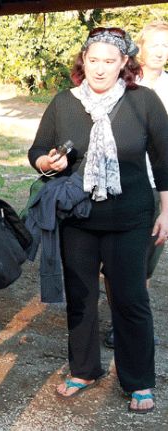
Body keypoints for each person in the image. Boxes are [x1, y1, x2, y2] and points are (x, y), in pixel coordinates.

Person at [27, 27, 168, 413]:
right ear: (82, 62)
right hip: (79, 216)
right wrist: (47, 162)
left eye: (110, 61)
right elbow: (38, 149)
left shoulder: (145, 101)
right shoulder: (64, 102)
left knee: (130, 297)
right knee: (82, 296)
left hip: (130, 217)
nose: (100, 69)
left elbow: (164, 160)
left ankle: (138, 380)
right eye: (93, 60)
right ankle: (84, 369)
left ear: (124, 63)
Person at [104, 20, 168, 348]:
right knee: (118, 261)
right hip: (124, 182)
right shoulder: (123, 84)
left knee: (144, 264)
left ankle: (133, 321)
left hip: (160, 188)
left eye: (166, 45)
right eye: (155, 43)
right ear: (140, 46)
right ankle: (120, 324)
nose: (160, 51)